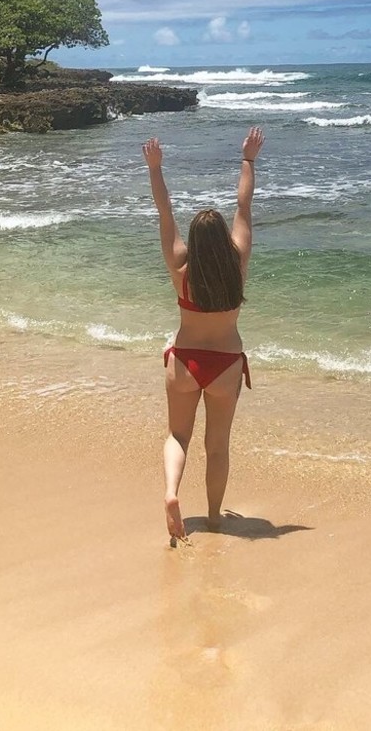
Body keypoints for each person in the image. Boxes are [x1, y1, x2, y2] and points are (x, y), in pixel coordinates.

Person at [142, 126, 265, 542]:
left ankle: (171, 492)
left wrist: (155, 168)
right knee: (217, 446)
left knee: (178, 435)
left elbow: (165, 211)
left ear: (193, 243)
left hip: (184, 361)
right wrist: (247, 159)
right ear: (223, 242)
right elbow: (244, 205)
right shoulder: (238, 265)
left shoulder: (181, 269)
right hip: (225, 366)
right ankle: (213, 517)